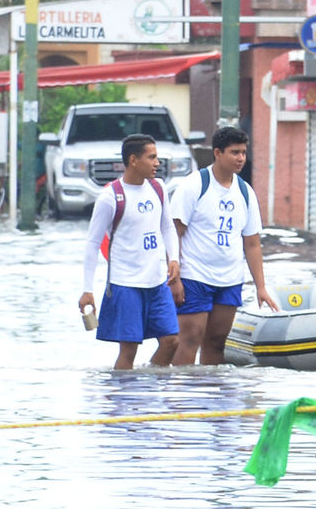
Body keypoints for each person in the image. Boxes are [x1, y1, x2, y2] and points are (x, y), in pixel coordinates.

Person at [169, 125, 278, 365]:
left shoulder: (245, 191)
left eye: (243, 153)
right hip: (194, 275)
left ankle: (213, 397)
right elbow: (173, 232)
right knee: (190, 338)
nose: (241, 158)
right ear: (217, 153)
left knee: (217, 341)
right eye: (234, 152)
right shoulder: (195, 185)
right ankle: (180, 397)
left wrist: (261, 287)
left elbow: (252, 244)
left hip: (229, 278)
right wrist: (174, 276)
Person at [78, 133, 180, 370]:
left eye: (157, 157)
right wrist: (87, 290)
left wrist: (173, 258)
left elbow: (167, 226)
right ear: (133, 160)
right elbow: (92, 244)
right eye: (151, 157)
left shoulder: (159, 188)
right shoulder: (110, 197)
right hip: (125, 283)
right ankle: (124, 400)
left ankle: (150, 385)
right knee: (129, 348)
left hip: (157, 282)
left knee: (171, 341)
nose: (157, 163)